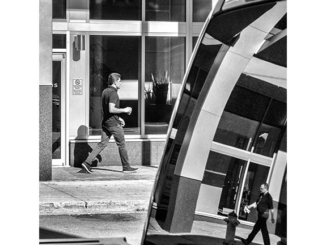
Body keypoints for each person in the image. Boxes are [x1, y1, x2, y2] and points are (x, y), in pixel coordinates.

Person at [81, 73, 138, 173]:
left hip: (106, 123)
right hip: (113, 124)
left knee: (102, 144)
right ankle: (126, 167)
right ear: (115, 82)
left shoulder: (105, 92)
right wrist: (124, 110)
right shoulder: (113, 93)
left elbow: (107, 110)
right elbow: (111, 109)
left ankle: (87, 163)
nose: (121, 83)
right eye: (120, 81)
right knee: (122, 145)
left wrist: (119, 117)